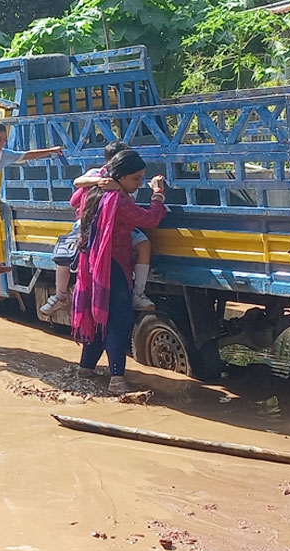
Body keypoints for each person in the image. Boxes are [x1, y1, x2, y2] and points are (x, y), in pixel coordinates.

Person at [72, 150, 166, 394]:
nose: (139, 183)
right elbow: (151, 219)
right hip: (112, 267)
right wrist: (158, 194)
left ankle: (85, 369)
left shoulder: (94, 193)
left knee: (98, 319)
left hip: (92, 265)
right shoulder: (118, 202)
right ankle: (117, 381)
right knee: (118, 322)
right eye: (136, 178)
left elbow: (73, 198)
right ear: (120, 177)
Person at [41, 140, 156, 315]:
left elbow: (128, 204)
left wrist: (118, 190)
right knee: (65, 252)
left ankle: (138, 293)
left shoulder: (129, 178)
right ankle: (60, 294)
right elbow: (75, 193)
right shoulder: (98, 175)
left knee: (143, 243)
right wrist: (98, 182)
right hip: (89, 224)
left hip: (117, 224)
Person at [0, 121, 64, 223]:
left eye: (4, 140)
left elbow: (27, 155)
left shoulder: (4, 155)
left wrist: (50, 150)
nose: (2, 144)